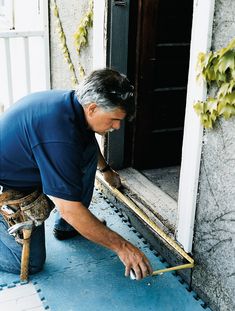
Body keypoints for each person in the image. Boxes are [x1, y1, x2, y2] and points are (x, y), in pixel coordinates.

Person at [0, 68, 152, 280]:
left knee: (87, 149)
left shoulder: (74, 106)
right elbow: (69, 208)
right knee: (30, 263)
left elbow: (87, 144)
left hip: (29, 168)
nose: (117, 126)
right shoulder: (59, 136)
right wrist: (123, 247)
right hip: (8, 186)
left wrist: (106, 170)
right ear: (92, 108)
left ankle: (69, 227)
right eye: (114, 119)